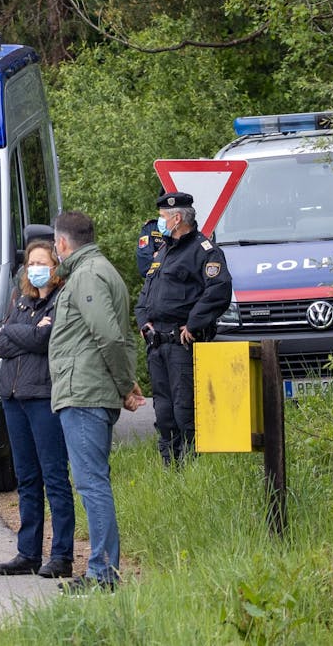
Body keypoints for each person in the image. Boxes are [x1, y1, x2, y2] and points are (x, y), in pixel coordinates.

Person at [48, 210, 144, 592]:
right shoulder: (102, 270)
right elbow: (118, 335)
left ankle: (103, 575)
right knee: (92, 481)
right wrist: (125, 380)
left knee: (91, 483)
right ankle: (102, 571)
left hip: (84, 392)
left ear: (61, 243)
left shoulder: (87, 275)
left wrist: (124, 384)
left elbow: (106, 335)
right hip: (89, 389)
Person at [0, 240, 75, 580]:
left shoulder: (61, 301)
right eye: (31, 263)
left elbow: (45, 342)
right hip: (13, 396)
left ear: (55, 268)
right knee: (26, 478)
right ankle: (27, 553)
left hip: (44, 397)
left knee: (54, 476)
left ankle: (61, 555)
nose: (35, 268)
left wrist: (15, 334)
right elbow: (0, 342)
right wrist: (21, 332)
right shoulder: (20, 301)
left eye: (42, 262)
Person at [135, 191, 233, 467]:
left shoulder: (204, 251)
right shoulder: (164, 251)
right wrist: (144, 323)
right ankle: (170, 467)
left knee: (184, 409)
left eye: (164, 218)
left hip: (183, 344)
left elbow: (219, 290)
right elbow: (146, 294)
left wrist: (194, 323)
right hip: (157, 344)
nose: (160, 223)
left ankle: (192, 468)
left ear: (177, 218)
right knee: (163, 411)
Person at [135, 214, 166, 279]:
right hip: (155, 283)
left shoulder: (185, 231)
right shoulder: (150, 228)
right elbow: (144, 266)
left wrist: (158, 255)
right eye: (162, 215)